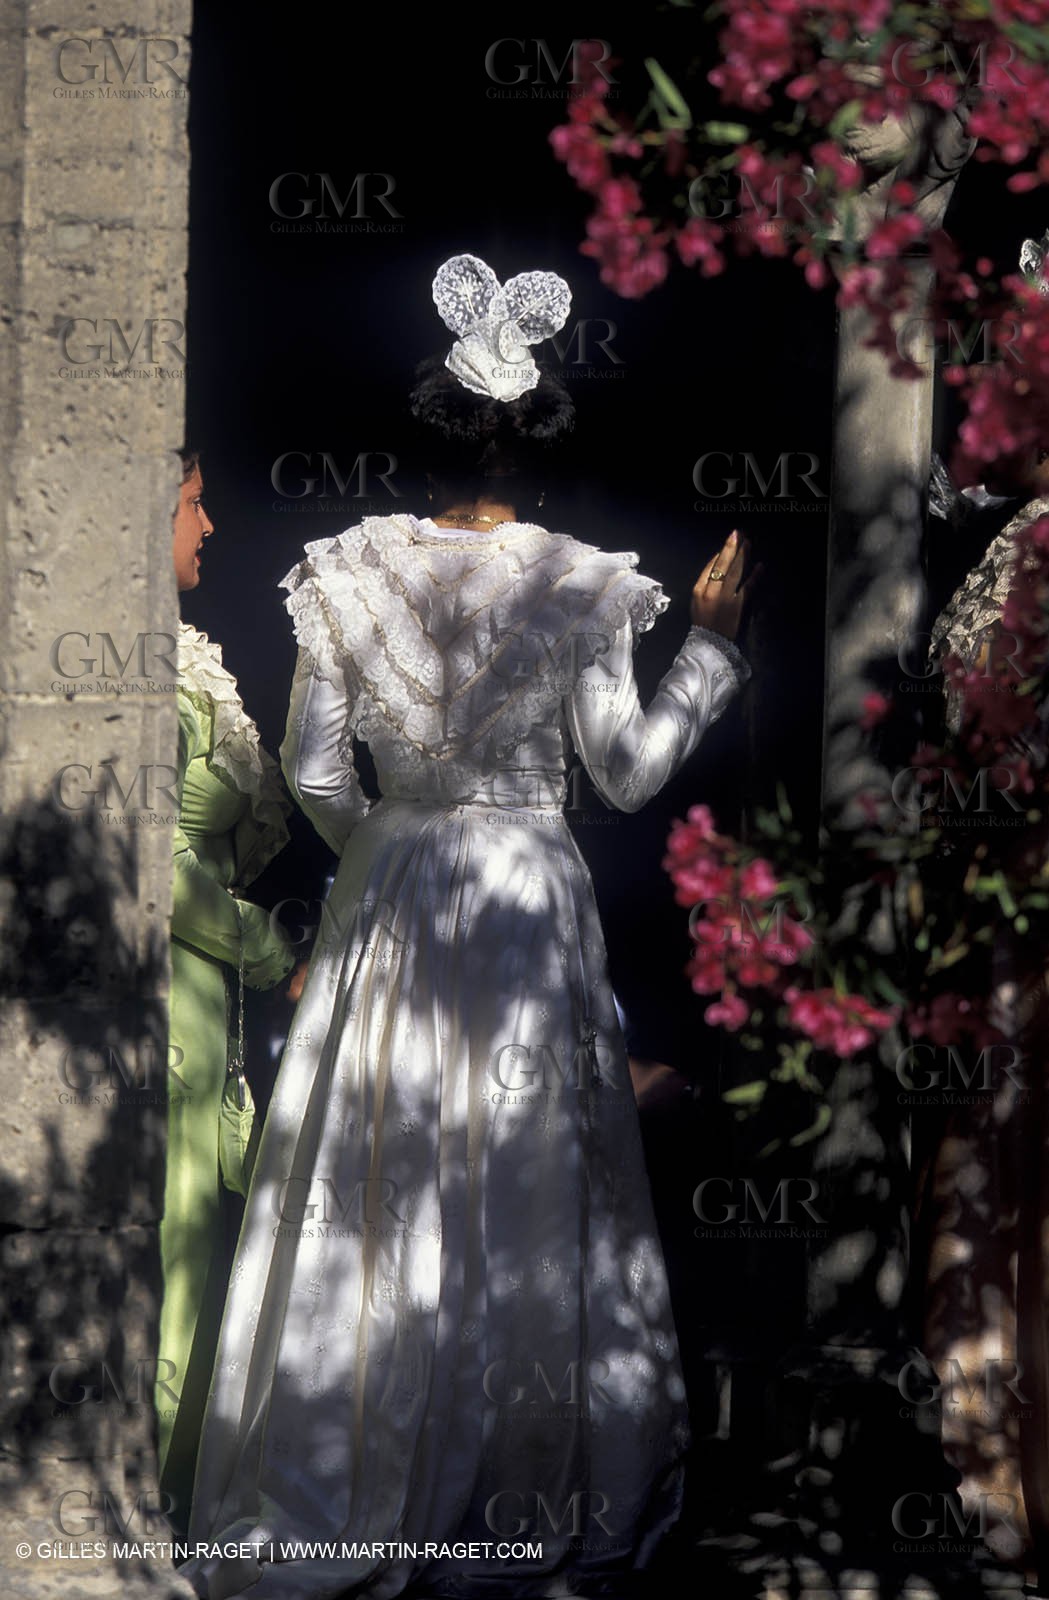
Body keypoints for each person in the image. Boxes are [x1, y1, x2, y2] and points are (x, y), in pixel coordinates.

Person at [181, 255, 755, 1600]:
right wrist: (713, 651)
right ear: (537, 432)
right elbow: (626, 773)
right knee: (518, 1169)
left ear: (431, 424)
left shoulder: (349, 569)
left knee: (371, 1164)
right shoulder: (579, 582)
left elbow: (314, 769)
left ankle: (339, 1471)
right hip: (520, 894)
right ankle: (507, 1479)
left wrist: (387, 853)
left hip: (392, 882)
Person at [159, 451, 296, 1530]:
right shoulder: (130, 674)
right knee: (169, 1249)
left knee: (205, 1247)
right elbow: (147, 865)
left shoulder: (183, 655)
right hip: (165, 994)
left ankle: (179, 1494)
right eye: (193, 503)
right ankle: (136, 1503)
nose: (208, 527)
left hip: (210, 1005)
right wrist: (269, 949)